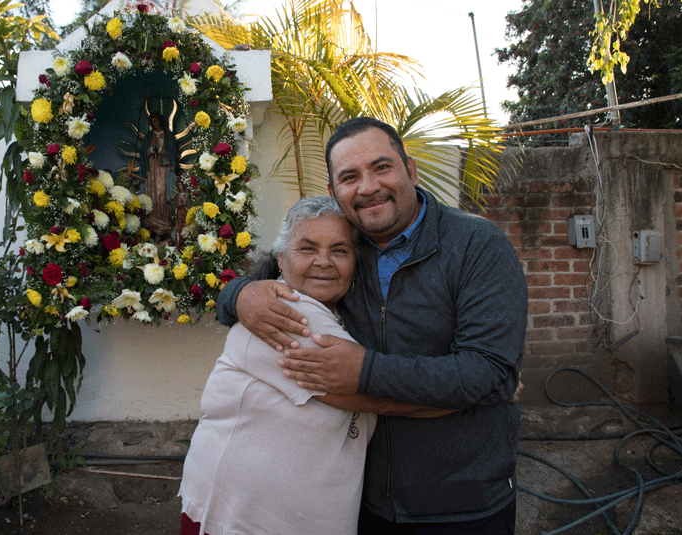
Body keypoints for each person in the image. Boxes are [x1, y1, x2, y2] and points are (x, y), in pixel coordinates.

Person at [216, 117, 528, 534]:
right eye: (350, 177)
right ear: (334, 192)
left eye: (382, 168)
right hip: (365, 501)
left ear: (410, 170)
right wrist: (237, 296)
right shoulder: (340, 248)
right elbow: (269, 276)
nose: (367, 187)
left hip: (464, 504)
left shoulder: (476, 244)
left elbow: (488, 373)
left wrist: (364, 371)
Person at [180, 196, 460, 535]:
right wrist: (472, 390)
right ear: (281, 260)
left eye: (340, 251)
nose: (324, 262)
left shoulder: (340, 312)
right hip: (243, 517)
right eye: (307, 249)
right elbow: (370, 393)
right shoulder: (284, 312)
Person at [141, 113, 178, 238]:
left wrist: (163, 151)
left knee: (162, 196)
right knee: (152, 195)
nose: (154, 124)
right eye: (152, 122)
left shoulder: (167, 135)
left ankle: (164, 226)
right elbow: (143, 152)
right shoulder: (149, 136)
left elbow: (172, 152)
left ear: (160, 121)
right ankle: (153, 227)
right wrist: (150, 150)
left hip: (163, 168)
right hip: (151, 169)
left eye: (156, 121)